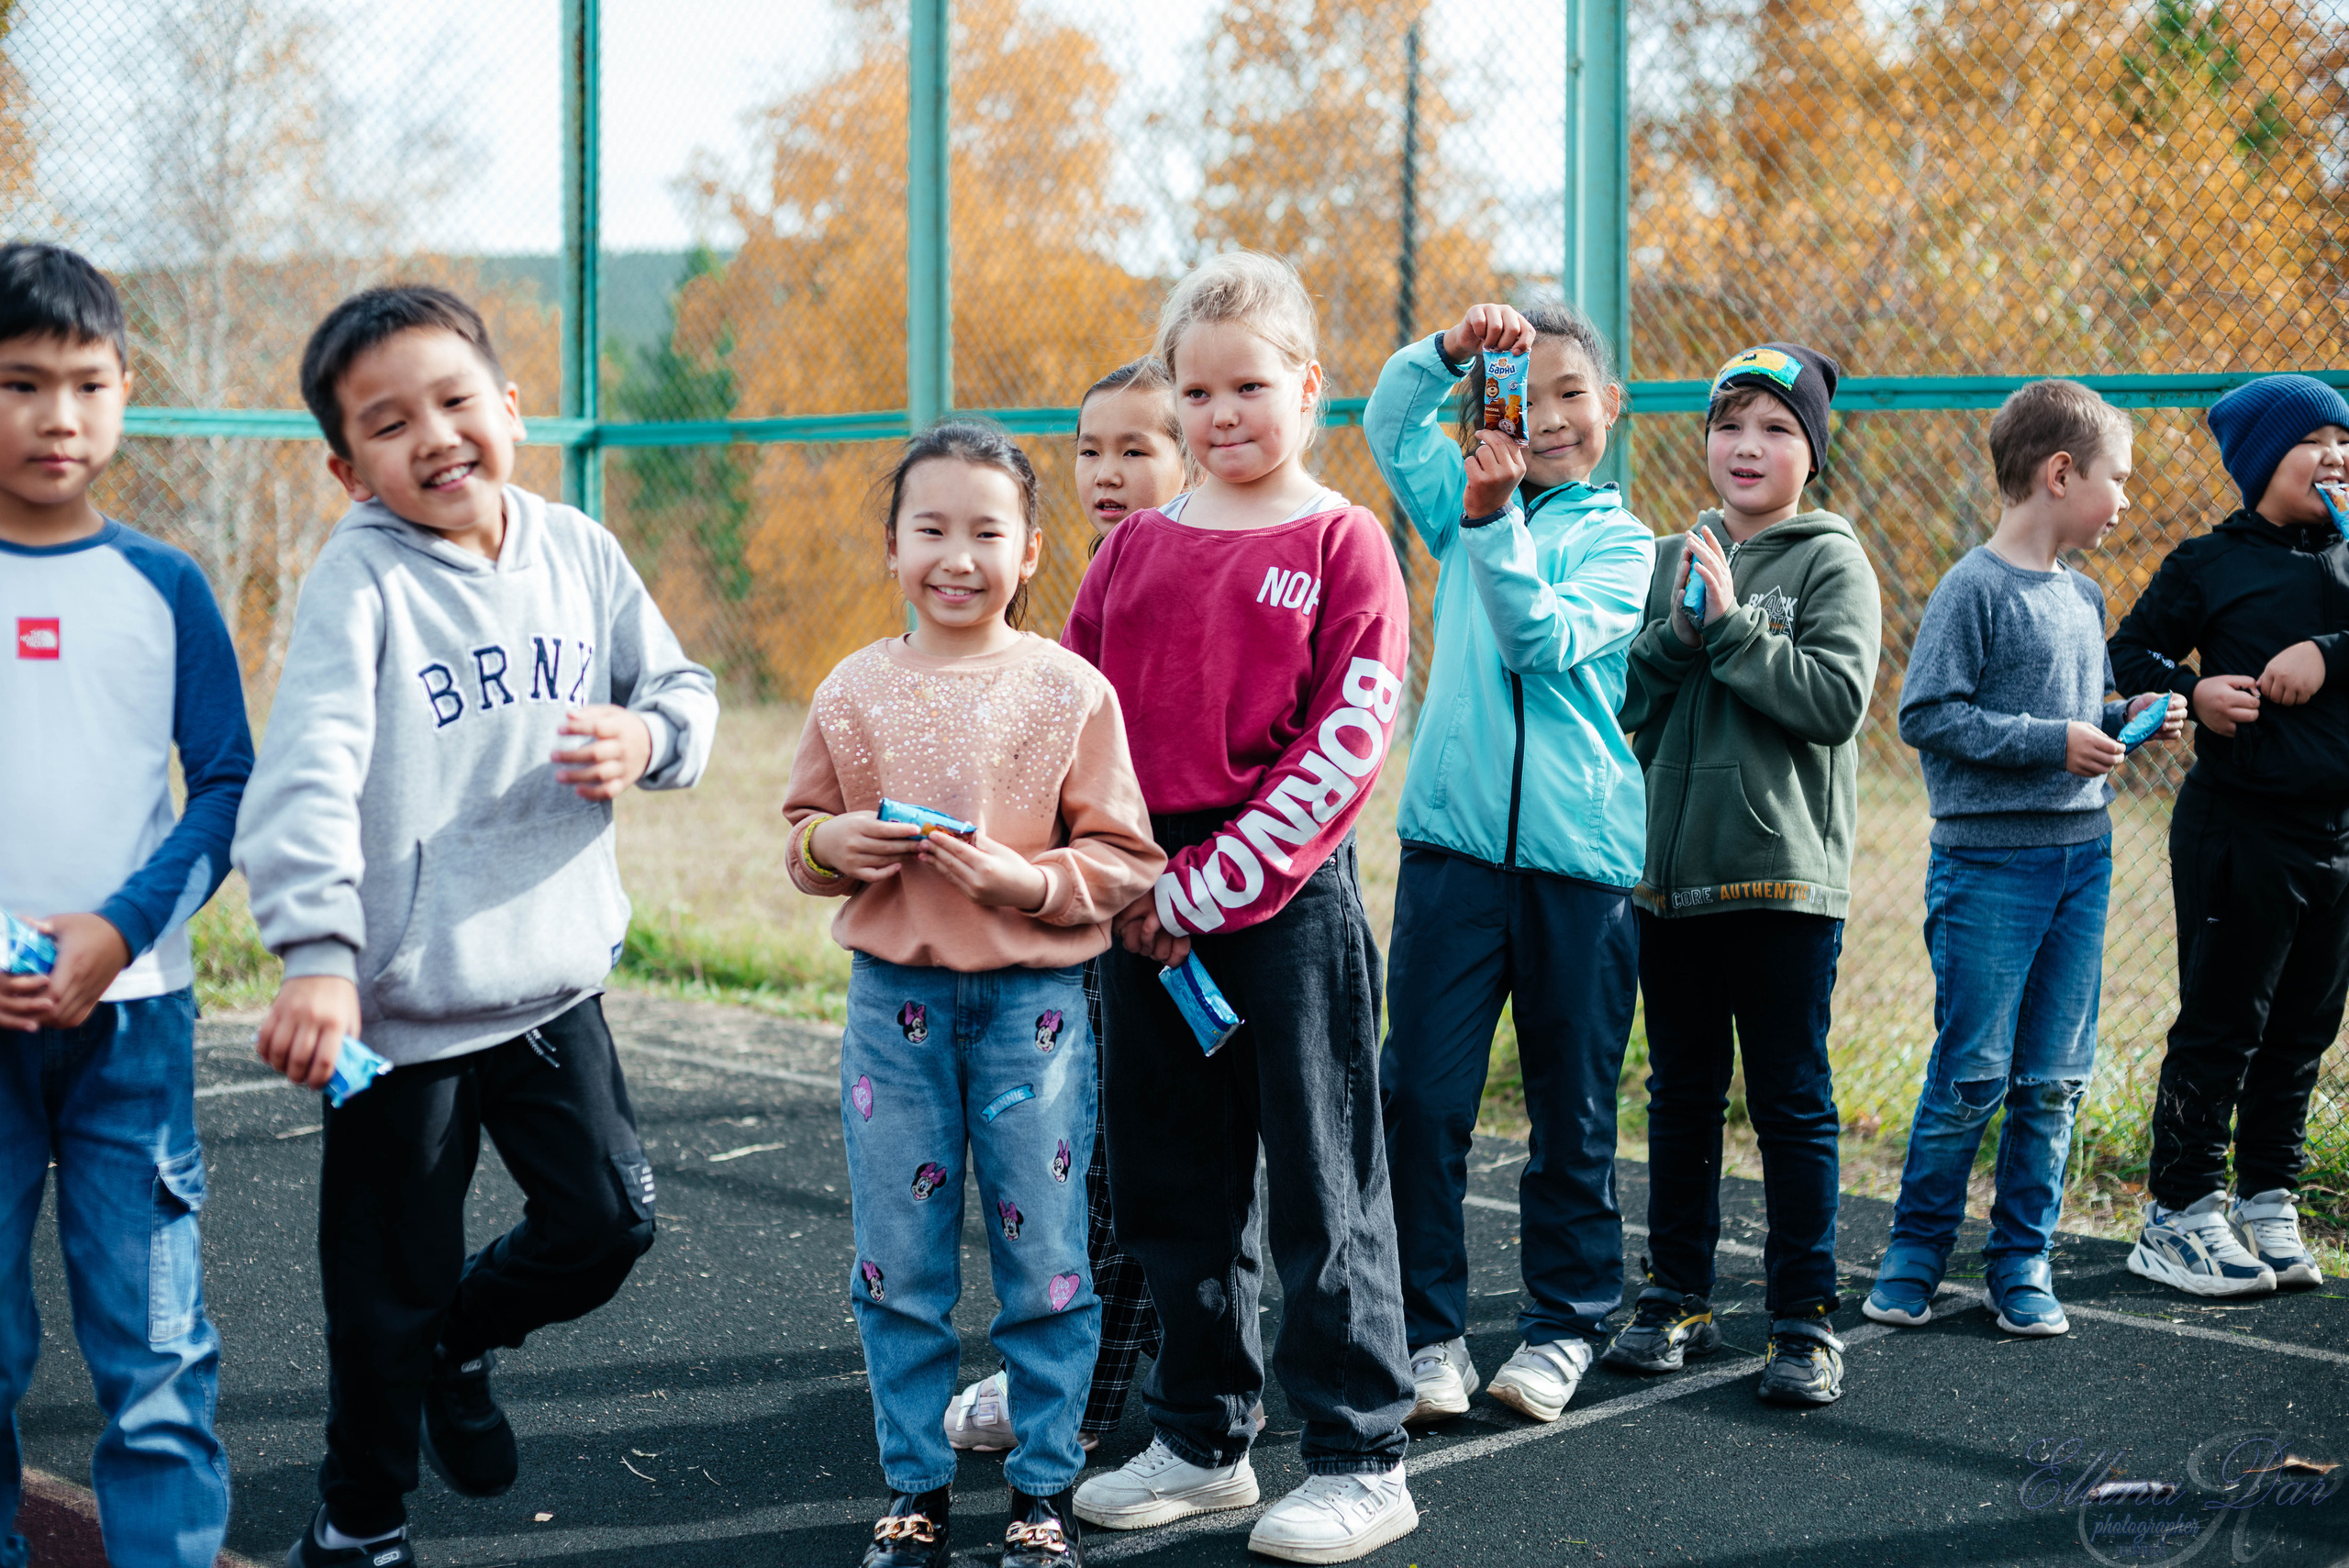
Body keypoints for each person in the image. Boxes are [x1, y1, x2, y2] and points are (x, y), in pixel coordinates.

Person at [233, 284, 718, 1567]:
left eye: (455, 402)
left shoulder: (579, 551)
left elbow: (682, 688)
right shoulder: (360, 584)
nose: (435, 436)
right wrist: (318, 959)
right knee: (379, 1294)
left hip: (551, 987)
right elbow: (306, 775)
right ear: (348, 470)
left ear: (510, 408)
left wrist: (647, 737)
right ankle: (359, 1519)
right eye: (390, 423)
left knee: (608, 1224)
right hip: (394, 1015)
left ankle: (464, 1337)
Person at [1064, 250, 1420, 1565]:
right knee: (1172, 1180)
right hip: (1139, 901)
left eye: (1250, 388)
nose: (1222, 415)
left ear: (1308, 387)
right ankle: (1204, 1438)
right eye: (1199, 391)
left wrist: (1204, 888)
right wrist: (1118, 874)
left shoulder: (1342, 542)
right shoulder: (1134, 549)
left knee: (1325, 1180)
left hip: (1281, 901)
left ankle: (1364, 1456)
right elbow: (1070, 715)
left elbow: (1346, 741)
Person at [786, 419, 1163, 1568]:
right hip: (890, 1010)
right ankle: (915, 1487)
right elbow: (802, 837)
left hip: (1032, 1015)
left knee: (1044, 1256)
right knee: (897, 1261)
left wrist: (1028, 880)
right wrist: (832, 841)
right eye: (931, 528)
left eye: (987, 532)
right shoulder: (852, 689)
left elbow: (1124, 858)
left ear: (1031, 549)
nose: (958, 557)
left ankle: (1042, 1490)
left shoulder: (1069, 690)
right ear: (892, 545)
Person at [0, 243, 250, 1568]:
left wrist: (118, 931)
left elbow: (227, 786)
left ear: (125, 392)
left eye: (86, 384)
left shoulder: (166, 585)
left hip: (134, 1027)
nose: (57, 416)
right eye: (19, 384)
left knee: (154, 1358)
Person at [1362, 299, 1652, 1424]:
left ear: (1610, 405)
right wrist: (1447, 351)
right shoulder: (1462, 502)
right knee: (1421, 1098)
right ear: (1495, 409)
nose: (1552, 417)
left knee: (1569, 1108)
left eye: (1573, 393)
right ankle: (1425, 1330)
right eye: (1525, 398)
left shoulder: (1623, 544)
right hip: (1453, 850)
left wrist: (1491, 524)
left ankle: (1563, 1322)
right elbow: (1391, 422)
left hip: (1580, 863)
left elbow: (1540, 640)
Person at [1865, 380, 2184, 1338]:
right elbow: (1928, 714)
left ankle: (2021, 1258)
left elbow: (2076, 718)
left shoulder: (2084, 595)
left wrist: (2127, 718)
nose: (2125, 499)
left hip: (2082, 864)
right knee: (1972, 1071)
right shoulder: (1972, 587)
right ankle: (1915, 1253)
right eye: (2117, 479)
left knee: (2053, 1076)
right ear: (2060, 474)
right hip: (1989, 872)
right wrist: (2054, 742)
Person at [1615, 341, 1881, 1406]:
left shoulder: (1831, 563)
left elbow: (1835, 701)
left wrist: (1729, 631)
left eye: (1775, 427)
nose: (1747, 445)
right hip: (1670, 882)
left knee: (1789, 1102)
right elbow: (1627, 701)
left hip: (1780, 884)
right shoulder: (1670, 556)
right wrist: (1679, 632)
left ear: (1811, 451)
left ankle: (1803, 1316)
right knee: (1681, 1096)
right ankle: (1676, 1292)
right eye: (1729, 424)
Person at [942, 361, 1189, 1461]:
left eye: (1136, 449)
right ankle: (1096, 1370)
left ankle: (1086, 1390)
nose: (1106, 471)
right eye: (1090, 449)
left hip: (1182, 908)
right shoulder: (1088, 586)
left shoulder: (1191, 579)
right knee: (1084, 1144)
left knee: (1143, 1151)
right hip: (1093, 914)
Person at [2109, 373, 2349, 1296]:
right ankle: (2179, 1207)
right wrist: (2192, 691)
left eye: (2346, 444)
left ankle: (2265, 1195)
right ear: (2261, 463)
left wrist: (2323, 654)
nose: (2336, 458)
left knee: (2302, 1029)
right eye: (2314, 442)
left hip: (2337, 837)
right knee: (2224, 1024)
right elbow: (2128, 651)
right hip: (2240, 830)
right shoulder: (2211, 562)